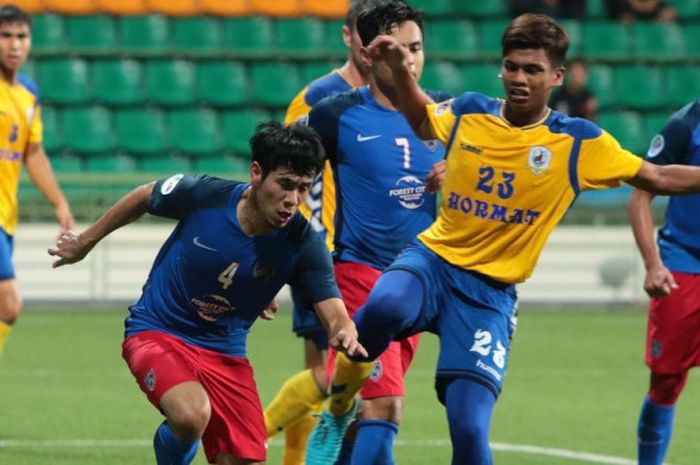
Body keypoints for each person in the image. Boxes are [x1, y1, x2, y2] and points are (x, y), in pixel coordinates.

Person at [307, 13, 700, 465]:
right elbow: (419, 119)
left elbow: (657, 175)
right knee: (383, 304)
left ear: (556, 76)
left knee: (471, 432)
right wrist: (398, 68)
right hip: (433, 260)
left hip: (488, 294)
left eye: (532, 70)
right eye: (512, 66)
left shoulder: (578, 143)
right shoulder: (471, 110)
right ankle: (339, 407)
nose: (519, 77)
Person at [48, 121, 366, 465]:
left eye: (304, 188)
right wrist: (84, 242)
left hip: (225, 352)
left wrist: (344, 330)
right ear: (257, 173)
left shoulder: (303, 244)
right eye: (285, 185)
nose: (293, 200)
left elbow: (333, 311)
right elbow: (144, 195)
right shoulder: (203, 195)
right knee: (191, 415)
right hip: (158, 332)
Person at [301, 2, 449, 465]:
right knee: (384, 405)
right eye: (395, 49)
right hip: (359, 275)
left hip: (421, 279)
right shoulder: (333, 115)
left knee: (364, 410)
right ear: (367, 54)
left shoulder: (448, 115)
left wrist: (462, 170)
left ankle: (337, 413)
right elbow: (284, 184)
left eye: (416, 48)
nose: (409, 60)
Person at [263, 3, 378, 465]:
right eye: (366, 35)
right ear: (348, 36)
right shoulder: (318, 99)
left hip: (369, 258)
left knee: (341, 379)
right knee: (330, 377)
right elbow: (282, 179)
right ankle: (245, 437)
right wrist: (275, 257)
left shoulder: (393, 106)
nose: (377, 47)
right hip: (322, 253)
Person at [0, 4, 74, 361]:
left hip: (6, 216)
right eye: (6, 36)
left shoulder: (27, 93)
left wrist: (58, 202)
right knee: (9, 303)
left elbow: (32, 152)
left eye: (21, 36)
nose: (15, 45)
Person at [627, 100, 700, 465]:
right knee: (666, 383)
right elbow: (639, 197)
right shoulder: (684, 126)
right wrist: (653, 264)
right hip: (684, 267)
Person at [605, 0, 677, 22]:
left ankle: (654, 30)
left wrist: (651, 2)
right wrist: (636, 3)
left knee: (669, 13)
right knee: (626, 18)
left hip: (647, 5)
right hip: (624, 4)